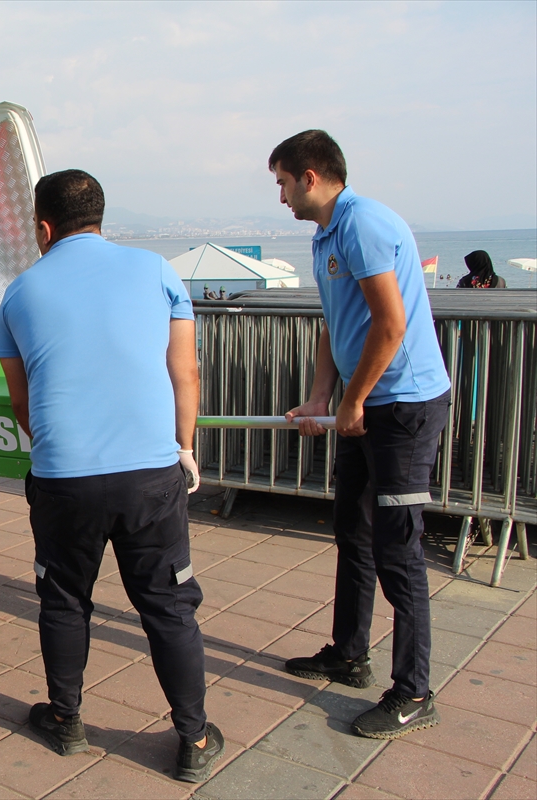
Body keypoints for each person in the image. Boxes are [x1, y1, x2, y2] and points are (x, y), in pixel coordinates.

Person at [0, 170, 224, 783]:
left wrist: (62, 449)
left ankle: (66, 721)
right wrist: (185, 446)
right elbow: (186, 375)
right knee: (169, 606)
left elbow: (22, 402)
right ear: (101, 217)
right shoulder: (156, 272)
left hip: (64, 477)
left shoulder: (19, 293)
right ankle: (194, 738)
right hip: (151, 471)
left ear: (44, 228)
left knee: (65, 599)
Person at [270, 130, 452, 739]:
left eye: (283, 183)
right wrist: (323, 397)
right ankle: (349, 654)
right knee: (354, 530)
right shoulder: (325, 234)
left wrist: (353, 401)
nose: (282, 197)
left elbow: (390, 323)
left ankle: (414, 691)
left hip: (401, 409)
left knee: (398, 550)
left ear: (311, 176)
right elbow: (336, 321)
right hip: (364, 405)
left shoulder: (363, 225)